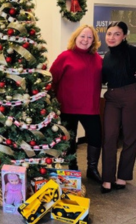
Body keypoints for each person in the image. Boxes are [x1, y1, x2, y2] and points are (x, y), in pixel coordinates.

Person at [50, 25, 103, 184]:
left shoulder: (98, 59)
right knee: (69, 139)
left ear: (93, 40)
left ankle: (92, 169)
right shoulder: (65, 56)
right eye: (82, 36)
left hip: (90, 107)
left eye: (89, 37)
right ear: (76, 38)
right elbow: (52, 80)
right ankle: (72, 168)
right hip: (68, 107)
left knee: (96, 137)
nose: (85, 40)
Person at [101, 21, 136, 193]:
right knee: (109, 137)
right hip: (112, 98)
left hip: (131, 95)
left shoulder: (132, 51)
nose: (112, 37)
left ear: (124, 36)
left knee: (130, 137)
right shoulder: (106, 56)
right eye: (109, 33)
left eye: (117, 34)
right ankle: (107, 178)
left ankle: (122, 177)